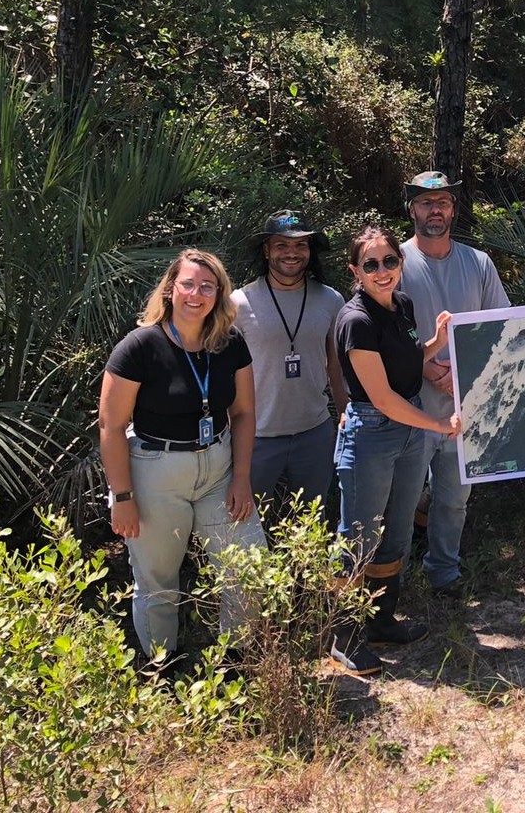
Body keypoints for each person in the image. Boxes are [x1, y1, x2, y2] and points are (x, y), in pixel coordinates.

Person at [99, 249, 266, 660]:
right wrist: (122, 497)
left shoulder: (229, 343)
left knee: (248, 568)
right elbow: (111, 426)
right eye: (188, 283)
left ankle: (235, 660)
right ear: (171, 289)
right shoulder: (139, 346)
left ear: (219, 294)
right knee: (158, 583)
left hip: (219, 468)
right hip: (156, 471)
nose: (197, 293)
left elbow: (243, 412)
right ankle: (161, 668)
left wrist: (241, 476)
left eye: (208, 286)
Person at [328, 225, 460, 676]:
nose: (382, 271)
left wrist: (435, 345)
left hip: (408, 432)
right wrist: (440, 424)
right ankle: (343, 636)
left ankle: (382, 621)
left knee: (398, 530)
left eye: (389, 261)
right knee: (357, 537)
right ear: (355, 271)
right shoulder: (355, 321)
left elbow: (405, 361)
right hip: (373, 434)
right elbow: (382, 397)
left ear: (399, 264)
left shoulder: (401, 305)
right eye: (371, 264)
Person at [397, 171, 511, 599]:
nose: (435, 210)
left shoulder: (478, 263)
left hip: (465, 404)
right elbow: (385, 330)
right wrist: (426, 368)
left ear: (453, 209)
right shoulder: (395, 262)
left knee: (453, 498)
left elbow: (499, 326)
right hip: (410, 404)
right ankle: (393, 579)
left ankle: (444, 573)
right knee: (403, 498)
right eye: (426, 203)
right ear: (412, 209)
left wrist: (462, 373)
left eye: (442, 202)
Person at [232, 211, 348, 520]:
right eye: (282, 245)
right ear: (267, 250)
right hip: (255, 438)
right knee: (244, 525)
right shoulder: (238, 304)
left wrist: (346, 418)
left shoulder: (331, 300)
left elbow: (336, 368)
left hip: (314, 433)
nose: (292, 253)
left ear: (310, 252)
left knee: (311, 523)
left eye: (300, 246)